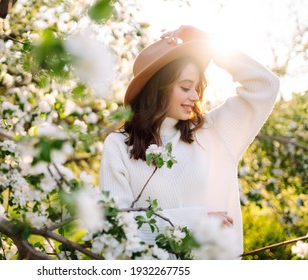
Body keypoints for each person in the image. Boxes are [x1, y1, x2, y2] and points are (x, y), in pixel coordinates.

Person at [99, 25, 280, 258]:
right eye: (185, 87)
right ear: (157, 89)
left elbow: (266, 84)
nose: (195, 96)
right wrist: (198, 221)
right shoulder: (119, 146)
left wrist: (210, 43)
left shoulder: (214, 132)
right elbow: (117, 227)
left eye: (197, 88)